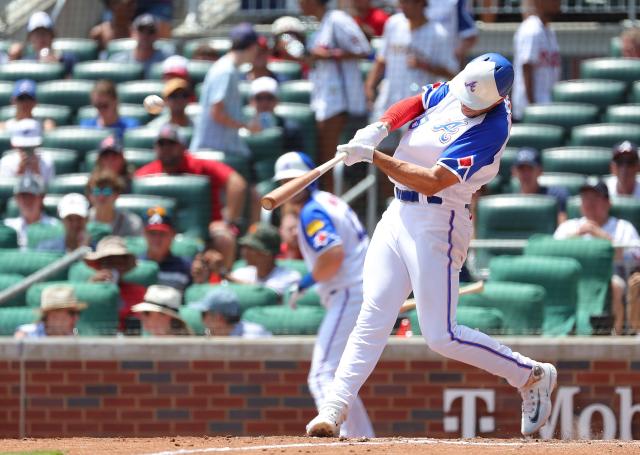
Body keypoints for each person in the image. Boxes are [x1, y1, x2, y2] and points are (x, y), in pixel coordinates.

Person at [305, 53, 557, 438]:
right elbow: (418, 102)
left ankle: (530, 375)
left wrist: (374, 156)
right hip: (397, 213)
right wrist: (380, 126)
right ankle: (335, 408)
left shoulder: (492, 127)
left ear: (496, 99)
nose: (465, 102)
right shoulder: (463, 86)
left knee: (441, 336)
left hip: (441, 219)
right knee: (373, 314)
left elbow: (433, 180)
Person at [273, 151, 374, 438]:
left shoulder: (311, 211)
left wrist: (304, 282)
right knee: (341, 379)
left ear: (309, 178)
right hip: (358, 288)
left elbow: (332, 255)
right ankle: (362, 441)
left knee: (322, 374)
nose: (288, 187)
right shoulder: (329, 200)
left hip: (348, 291)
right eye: (283, 182)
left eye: (293, 180)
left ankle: (341, 437)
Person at [135, 124, 248, 270]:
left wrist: (228, 221)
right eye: (161, 144)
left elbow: (237, 183)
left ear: (183, 147)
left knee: (224, 238)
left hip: (206, 233)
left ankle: (221, 280)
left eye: (171, 143)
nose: (166, 148)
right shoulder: (145, 175)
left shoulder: (199, 165)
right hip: (158, 231)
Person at [300, 0, 371, 189]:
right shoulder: (321, 23)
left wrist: (329, 55)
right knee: (324, 156)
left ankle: (331, 198)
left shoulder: (338, 18)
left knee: (329, 158)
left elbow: (363, 49)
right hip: (324, 96)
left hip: (340, 100)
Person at [554, 181, 640, 334]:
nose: (590, 202)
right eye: (585, 198)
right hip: (574, 279)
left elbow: (634, 260)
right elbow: (552, 253)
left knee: (615, 285)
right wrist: (577, 235)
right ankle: (558, 333)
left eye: (595, 197)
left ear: (608, 202)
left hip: (609, 278)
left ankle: (616, 337)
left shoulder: (623, 227)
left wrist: (600, 235)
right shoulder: (568, 227)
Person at [366, 0, 457, 122]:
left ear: (420, 3)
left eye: (406, 2)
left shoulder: (439, 34)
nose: (401, 6)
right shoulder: (394, 23)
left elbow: (452, 73)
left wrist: (424, 65)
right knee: (377, 139)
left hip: (418, 106)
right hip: (388, 100)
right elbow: (381, 59)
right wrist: (369, 86)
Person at [189, 23, 260, 155]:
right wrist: (247, 126)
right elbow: (216, 113)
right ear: (252, 47)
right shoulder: (225, 71)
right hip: (212, 151)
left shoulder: (228, 68)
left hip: (218, 150)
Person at [84, 235, 147, 332]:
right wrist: (92, 289)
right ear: (99, 266)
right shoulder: (88, 290)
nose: (114, 268)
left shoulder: (139, 292)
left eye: (119, 263)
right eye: (108, 263)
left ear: (125, 266)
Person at [512, 0, 561, 121]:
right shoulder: (531, 30)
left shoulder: (548, 30)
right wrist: (532, 107)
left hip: (545, 104)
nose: (558, 2)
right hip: (530, 109)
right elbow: (527, 68)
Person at [229, 223, 301, 295]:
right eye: (245, 247)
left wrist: (226, 276)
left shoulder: (289, 276)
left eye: (251, 248)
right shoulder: (243, 273)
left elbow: (265, 294)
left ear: (267, 253)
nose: (245, 252)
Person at [511, 147, 569, 223]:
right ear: (514, 172)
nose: (525, 173)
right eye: (521, 169)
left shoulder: (556, 196)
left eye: (530, 168)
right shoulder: (511, 203)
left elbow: (562, 227)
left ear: (540, 171)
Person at [140, 206, 192, 291]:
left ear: (173, 235)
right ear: (144, 234)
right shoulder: (135, 264)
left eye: (162, 234)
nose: (157, 239)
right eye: (152, 233)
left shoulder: (185, 267)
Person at [8, 11, 76, 75]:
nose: (41, 38)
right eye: (37, 34)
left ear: (52, 35)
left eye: (44, 33)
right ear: (30, 38)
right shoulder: (26, 63)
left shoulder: (67, 59)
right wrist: (13, 60)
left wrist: (59, 66)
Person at [247, 76, 304, 151]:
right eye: (259, 98)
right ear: (251, 101)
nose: (264, 103)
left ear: (277, 100)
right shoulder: (243, 129)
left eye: (269, 98)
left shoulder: (292, 130)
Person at [4, 174, 59, 250]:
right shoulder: (8, 227)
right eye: (23, 196)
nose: (27, 200)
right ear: (16, 199)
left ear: (41, 197)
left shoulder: (55, 227)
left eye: (31, 195)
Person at [190, 287, 271, 338]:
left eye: (203, 314)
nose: (202, 320)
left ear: (219, 318)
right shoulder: (211, 336)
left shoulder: (253, 337)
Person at [109, 14, 172, 78]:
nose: (145, 35)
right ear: (132, 32)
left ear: (157, 35)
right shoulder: (118, 62)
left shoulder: (166, 61)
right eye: (141, 29)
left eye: (151, 31)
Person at [87, 169, 144, 237]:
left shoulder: (132, 223)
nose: (101, 197)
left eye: (106, 191)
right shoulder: (83, 221)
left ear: (116, 195)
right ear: (89, 196)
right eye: (96, 191)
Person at [14, 285, 86, 338]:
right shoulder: (26, 335)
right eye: (71, 313)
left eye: (78, 313)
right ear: (52, 314)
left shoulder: (74, 339)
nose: (76, 318)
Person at [0, 118, 55, 186]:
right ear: (15, 145)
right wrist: (20, 171)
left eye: (30, 147)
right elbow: (6, 193)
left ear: (37, 145)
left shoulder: (47, 161)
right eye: (22, 147)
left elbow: (49, 190)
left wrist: (37, 171)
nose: (26, 151)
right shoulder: (6, 163)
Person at [427, 0, 478, 70]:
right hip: (420, 66)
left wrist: (457, 55)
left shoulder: (458, 2)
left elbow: (470, 35)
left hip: (448, 67)